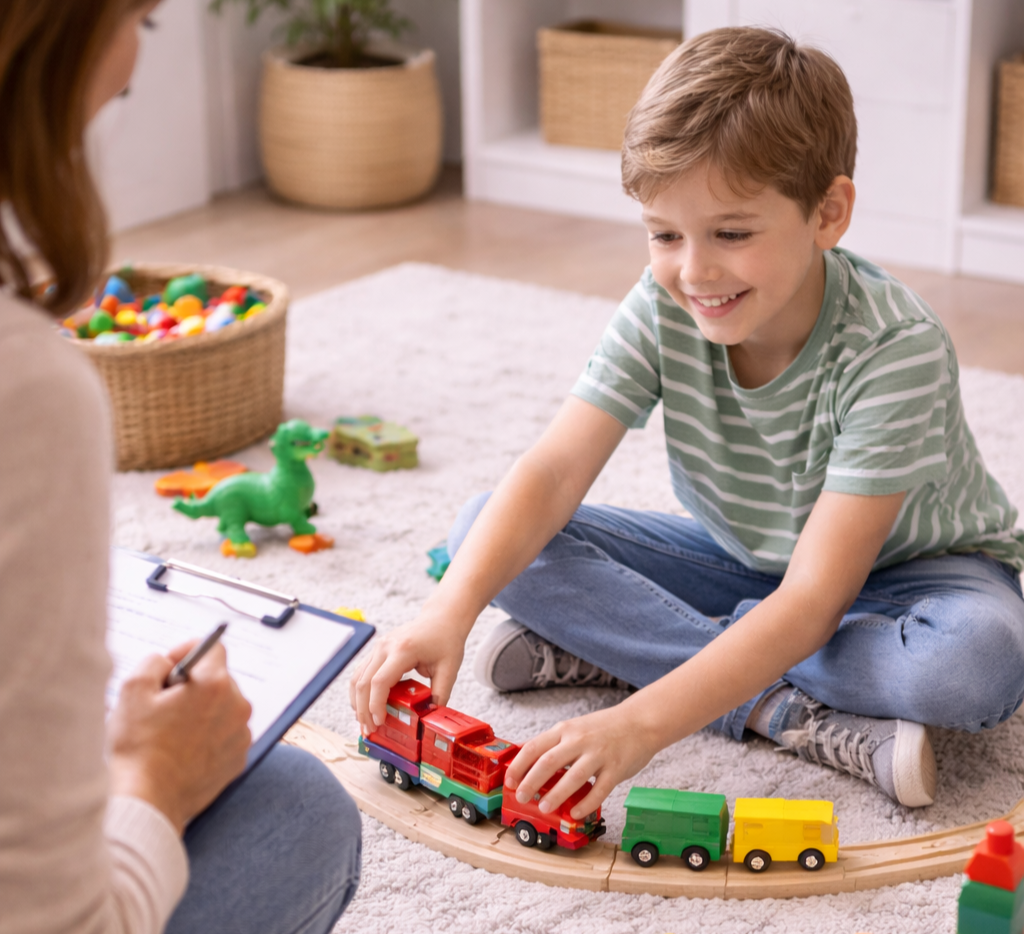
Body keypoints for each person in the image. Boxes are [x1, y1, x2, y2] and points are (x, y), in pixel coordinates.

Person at [351, 27, 1024, 817]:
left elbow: (812, 600)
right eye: (665, 234)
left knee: (971, 667)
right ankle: (779, 709)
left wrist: (639, 725)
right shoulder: (662, 305)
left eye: (732, 233)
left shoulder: (893, 347)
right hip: (748, 563)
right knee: (483, 538)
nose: (694, 272)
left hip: (916, 579)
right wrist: (448, 611)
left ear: (828, 212)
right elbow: (553, 472)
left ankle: (648, 646)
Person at [0, 2, 360, 932]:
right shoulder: (26, 384)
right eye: (145, 23)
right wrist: (156, 781)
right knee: (298, 807)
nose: (130, 67)